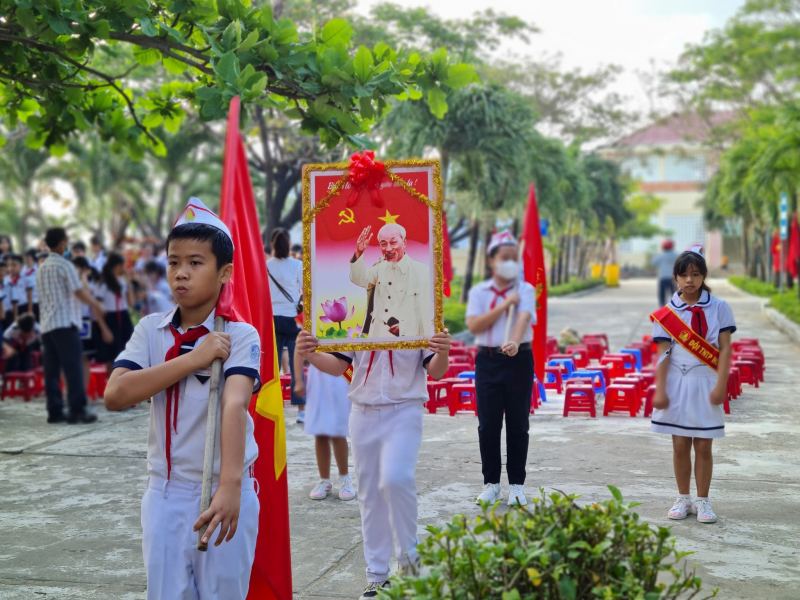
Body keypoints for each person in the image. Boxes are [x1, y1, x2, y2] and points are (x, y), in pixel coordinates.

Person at [104, 199, 261, 600]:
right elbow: (116, 394)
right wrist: (194, 358)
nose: (181, 274)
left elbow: (234, 404)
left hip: (223, 494)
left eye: (195, 263)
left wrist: (228, 486)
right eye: (174, 263)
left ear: (224, 273)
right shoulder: (151, 331)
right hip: (165, 494)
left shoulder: (241, 336)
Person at [296, 326, 451, 600]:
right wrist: (312, 353)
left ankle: (410, 566)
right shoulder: (358, 312)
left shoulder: (418, 310)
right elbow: (338, 365)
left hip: (405, 409)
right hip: (363, 411)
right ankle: (377, 577)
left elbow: (436, 370)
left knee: (396, 479)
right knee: (369, 493)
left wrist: (443, 349)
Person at [650, 245, 735, 524]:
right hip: (677, 381)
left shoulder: (720, 307)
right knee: (679, 444)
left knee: (704, 445)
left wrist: (721, 384)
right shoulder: (666, 315)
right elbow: (663, 354)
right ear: (675, 278)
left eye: (696, 274)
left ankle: (704, 501)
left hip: (706, 380)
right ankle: (683, 497)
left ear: (704, 276)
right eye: (684, 275)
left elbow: (725, 349)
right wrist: (661, 390)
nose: (690, 281)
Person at [465, 230, 536, 507]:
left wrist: (515, 341)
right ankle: (491, 483)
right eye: (504, 258)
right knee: (488, 424)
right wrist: (504, 304)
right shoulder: (479, 292)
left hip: (518, 360)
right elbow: (474, 326)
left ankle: (517, 484)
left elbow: (523, 317)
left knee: (518, 424)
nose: (510, 263)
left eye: (513, 258)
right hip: (487, 361)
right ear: (492, 260)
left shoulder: (525, 289)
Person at [37, 227, 111, 424]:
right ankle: (77, 410)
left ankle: (55, 411)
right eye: (66, 241)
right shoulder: (65, 266)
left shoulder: (42, 268)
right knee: (73, 368)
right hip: (65, 323)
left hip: (47, 325)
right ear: (61, 243)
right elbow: (78, 291)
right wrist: (96, 304)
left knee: (51, 370)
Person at [350, 223, 433, 339]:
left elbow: (427, 314)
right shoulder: (379, 268)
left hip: (407, 340)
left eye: (393, 243)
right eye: (383, 244)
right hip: (378, 338)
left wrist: (404, 328)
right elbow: (359, 279)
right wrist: (359, 252)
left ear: (404, 243)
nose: (388, 248)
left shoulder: (422, 272)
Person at [294, 352, 356, 502]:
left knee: (338, 431)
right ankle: (324, 480)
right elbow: (300, 348)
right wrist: (298, 380)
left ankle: (345, 478)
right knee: (320, 432)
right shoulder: (312, 327)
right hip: (318, 378)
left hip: (341, 377)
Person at [267, 227, 305, 422]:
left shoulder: (267, 266)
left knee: (273, 366)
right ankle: (301, 411)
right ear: (289, 243)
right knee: (295, 364)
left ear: (273, 244)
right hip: (292, 319)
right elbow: (304, 291)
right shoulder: (297, 265)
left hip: (272, 319)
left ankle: (275, 407)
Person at [95, 252, 135, 372]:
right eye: (122, 265)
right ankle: (112, 383)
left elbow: (131, 303)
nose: (124, 268)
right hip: (110, 318)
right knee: (111, 354)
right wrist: (104, 329)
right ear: (116, 266)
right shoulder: (103, 283)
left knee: (129, 350)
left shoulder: (122, 281)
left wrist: (128, 283)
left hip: (123, 316)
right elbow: (96, 308)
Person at [3, 254, 26, 328]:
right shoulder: (5, 280)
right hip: (10, 312)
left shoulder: (26, 278)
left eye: (14, 265)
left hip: (24, 308)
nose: (10, 268)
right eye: (8, 265)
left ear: (21, 266)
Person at [652, 239, 678, 307]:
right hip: (673, 278)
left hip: (663, 277)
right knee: (674, 293)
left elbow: (653, 262)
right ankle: (676, 306)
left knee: (662, 294)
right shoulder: (676, 255)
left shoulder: (661, 256)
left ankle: (662, 307)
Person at [23, 248, 38, 318]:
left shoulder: (38, 269)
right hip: (26, 301)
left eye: (28, 258)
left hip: (37, 301)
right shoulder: (22, 270)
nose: (26, 260)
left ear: (33, 258)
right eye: (25, 258)